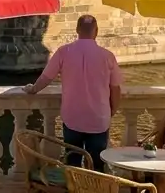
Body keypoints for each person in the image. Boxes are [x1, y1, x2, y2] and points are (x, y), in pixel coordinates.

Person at [23, 14, 122, 171]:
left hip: (72, 118)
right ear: (96, 31)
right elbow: (115, 88)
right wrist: (112, 110)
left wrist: (33, 89)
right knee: (97, 164)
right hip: (99, 118)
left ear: (77, 30)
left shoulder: (64, 52)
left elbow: (46, 77)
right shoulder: (108, 56)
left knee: (72, 162)